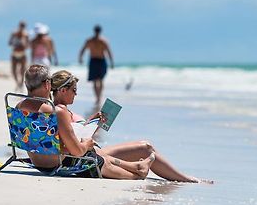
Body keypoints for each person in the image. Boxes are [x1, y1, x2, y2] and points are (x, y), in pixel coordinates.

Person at [51, 69, 208, 183]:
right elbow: (76, 149)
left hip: (91, 152)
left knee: (146, 147)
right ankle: (185, 179)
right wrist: (88, 142)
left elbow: (71, 137)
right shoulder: (61, 111)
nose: (76, 94)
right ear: (63, 90)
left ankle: (181, 177)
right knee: (146, 147)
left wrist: (93, 123)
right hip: (89, 154)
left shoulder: (56, 109)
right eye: (74, 90)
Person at [78, 25, 114, 104]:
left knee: (100, 80)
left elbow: (109, 52)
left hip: (101, 61)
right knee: (94, 80)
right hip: (93, 60)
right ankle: (97, 97)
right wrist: (80, 58)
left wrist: (111, 62)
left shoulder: (103, 41)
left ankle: (99, 96)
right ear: (95, 31)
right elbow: (83, 50)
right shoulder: (89, 41)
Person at [8, 21, 29, 90]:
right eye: (21, 26)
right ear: (19, 26)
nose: (22, 27)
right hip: (15, 53)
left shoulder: (26, 35)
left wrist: (24, 44)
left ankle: (21, 84)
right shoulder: (14, 33)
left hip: (22, 54)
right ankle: (17, 83)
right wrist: (15, 42)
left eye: (23, 26)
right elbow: (9, 43)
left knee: (22, 71)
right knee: (14, 70)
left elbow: (28, 45)